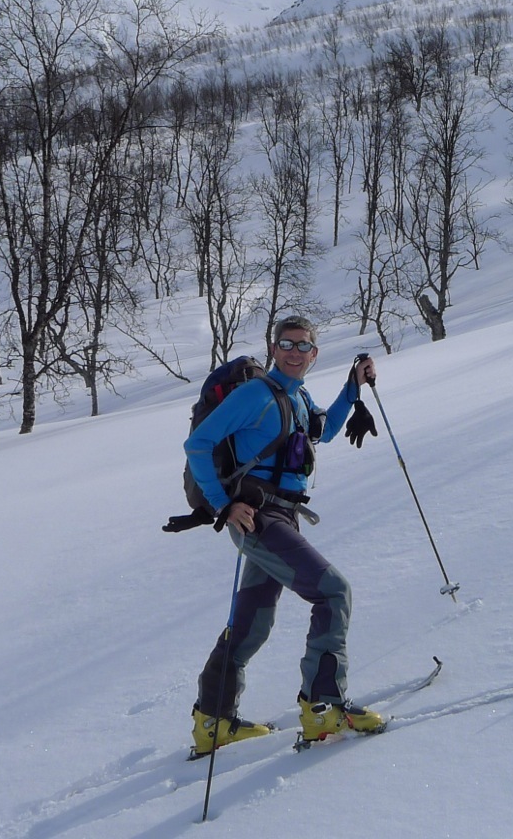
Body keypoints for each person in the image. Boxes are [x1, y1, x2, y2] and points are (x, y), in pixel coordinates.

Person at [186, 314, 382, 754]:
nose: (295, 353)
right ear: (273, 349)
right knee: (333, 592)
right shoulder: (256, 394)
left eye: (303, 346)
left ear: (315, 354)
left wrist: (353, 386)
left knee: (253, 622)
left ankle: (213, 721)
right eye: (287, 344)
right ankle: (323, 707)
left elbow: (324, 430)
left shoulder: (296, 397)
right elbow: (197, 444)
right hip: (258, 517)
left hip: (282, 516)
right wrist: (223, 504)